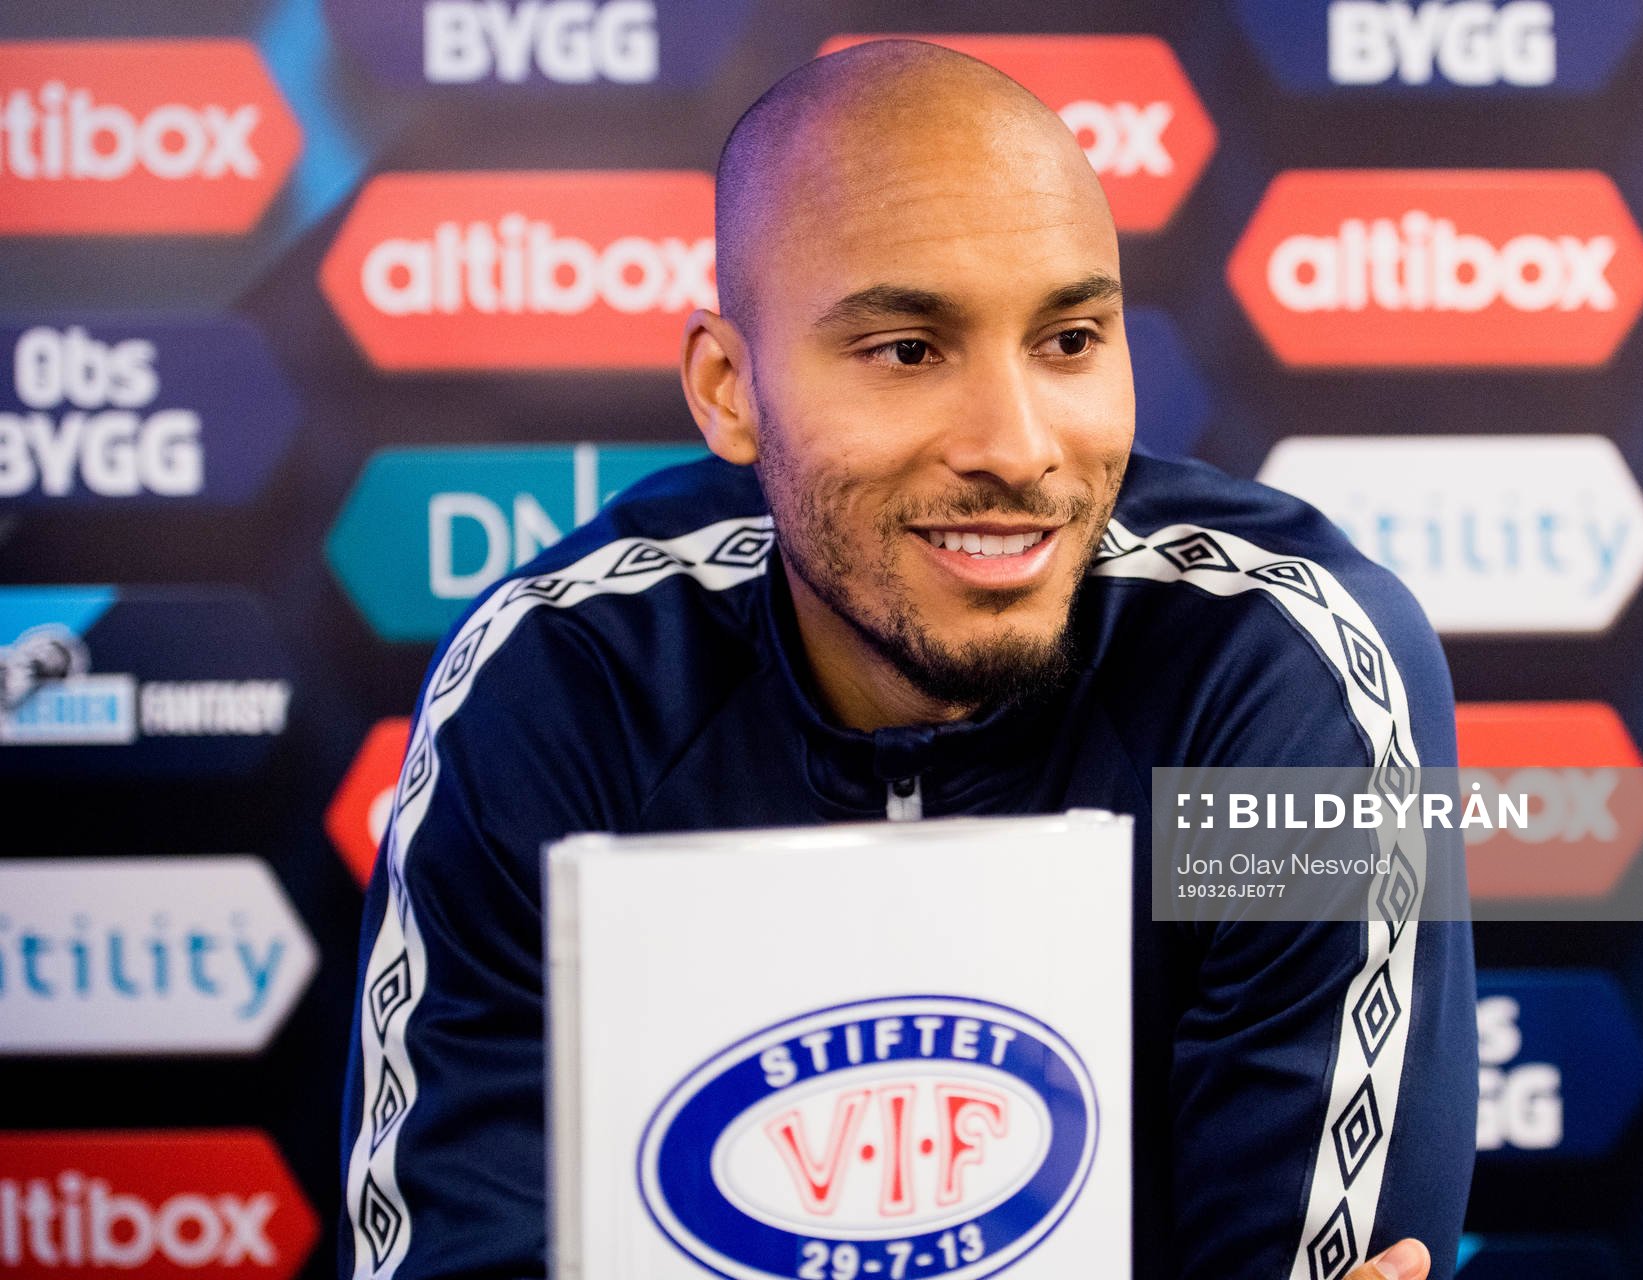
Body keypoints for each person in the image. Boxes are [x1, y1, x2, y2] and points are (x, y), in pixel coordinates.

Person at [339, 39, 1476, 1280]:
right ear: (728, 387)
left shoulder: (1277, 673)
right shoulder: (560, 683)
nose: (1018, 447)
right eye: (908, 350)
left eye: (1070, 339)